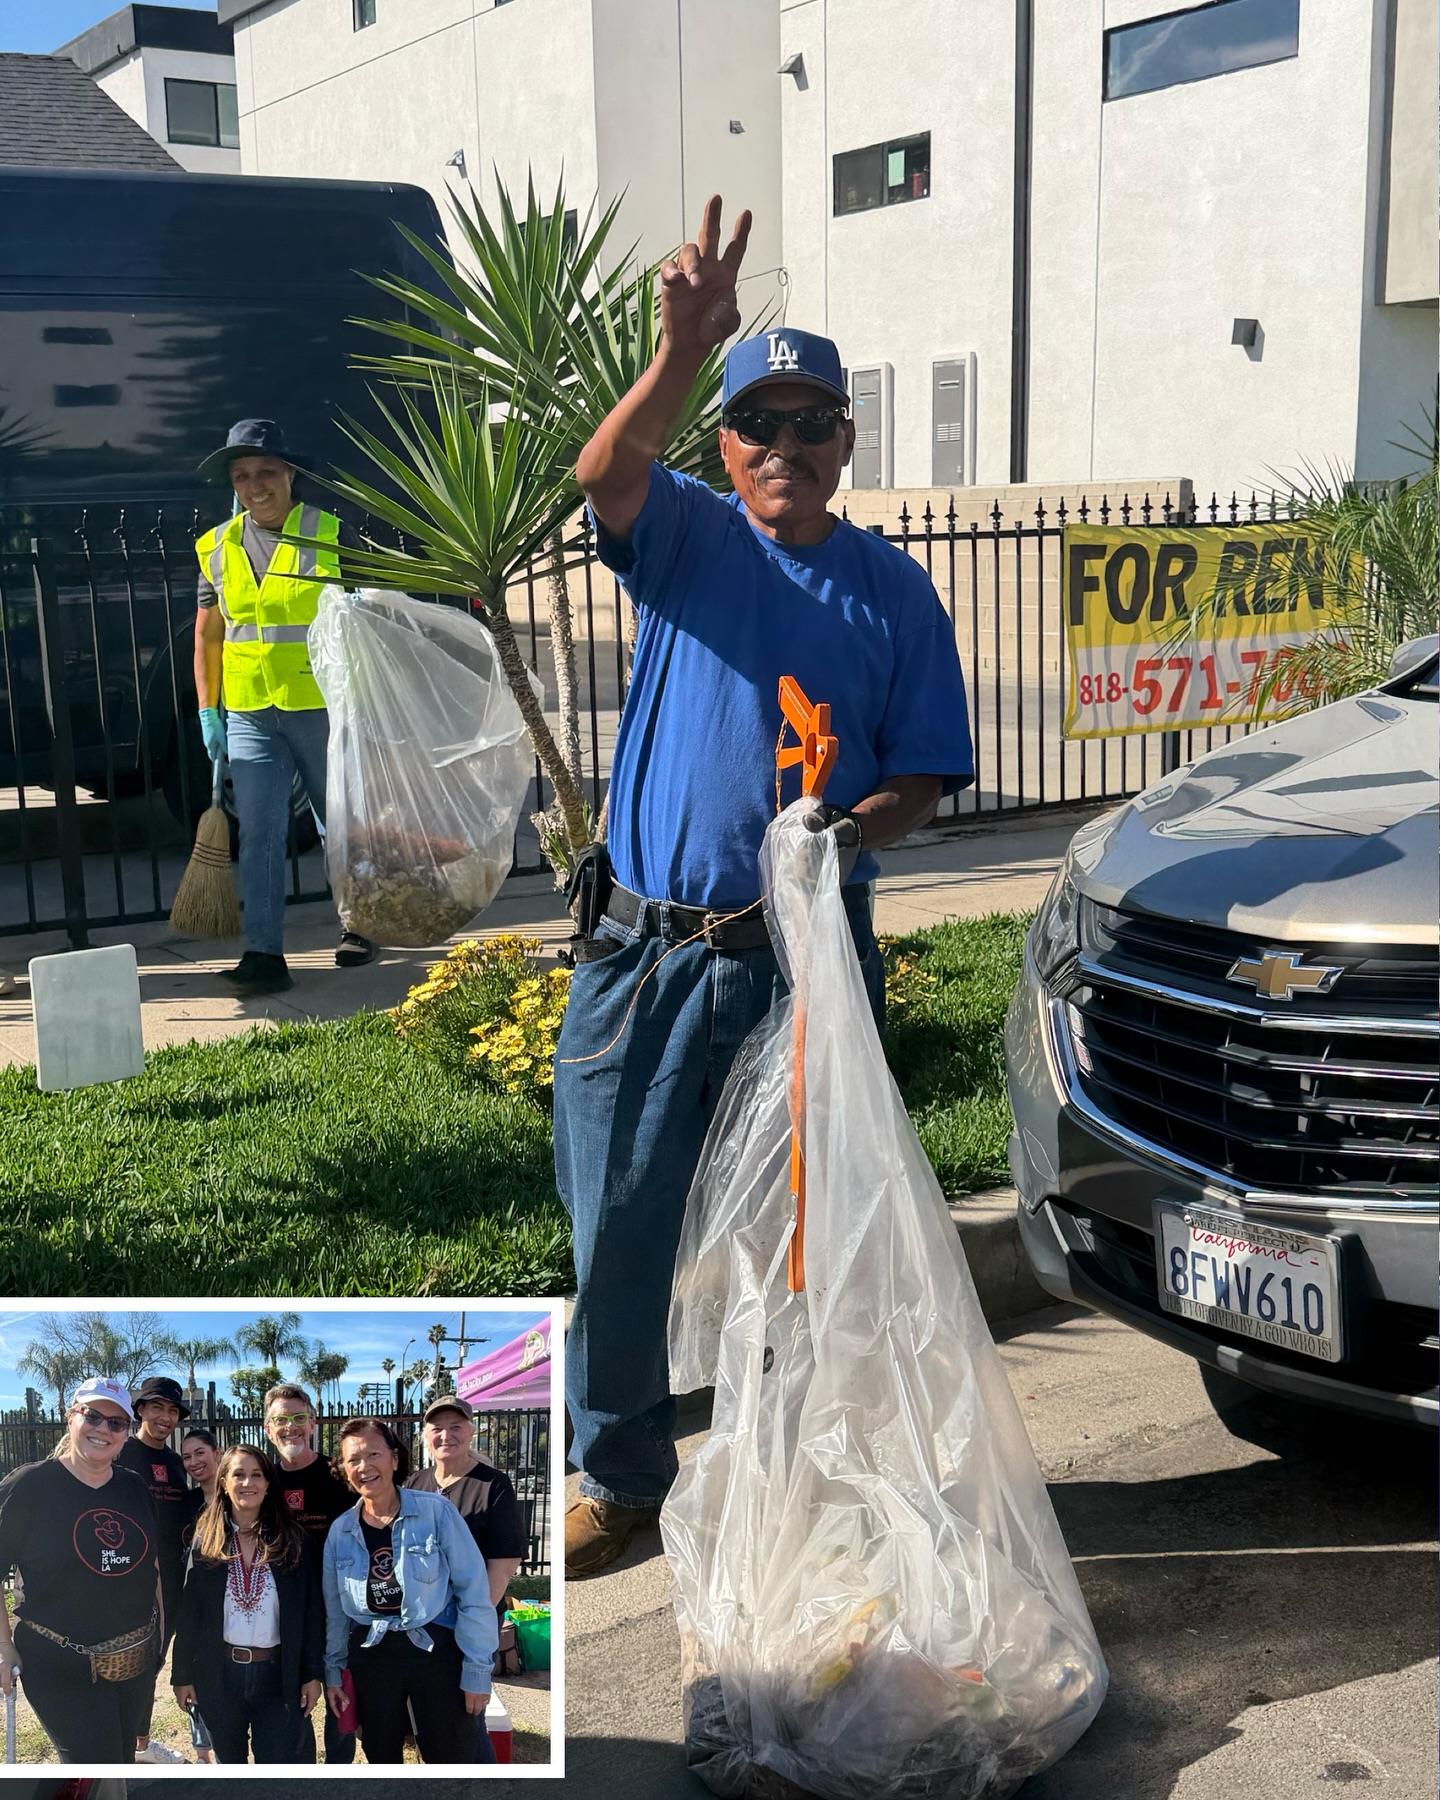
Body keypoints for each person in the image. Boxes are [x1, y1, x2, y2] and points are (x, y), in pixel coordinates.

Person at [558, 195, 973, 1576]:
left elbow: (922, 775)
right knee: (616, 1219)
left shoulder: (896, 593)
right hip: (648, 957)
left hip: (806, 956)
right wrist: (681, 352)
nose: (786, 447)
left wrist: (844, 836)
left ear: (847, 441)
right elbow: (601, 471)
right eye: (759, 424)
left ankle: (783, 1459)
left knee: (806, 1232)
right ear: (724, 445)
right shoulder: (686, 534)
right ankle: (617, 1469)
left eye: (813, 424)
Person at [193, 417, 375, 996]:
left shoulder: (329, 533)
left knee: (338, 823)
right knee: (261, 833)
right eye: (242, 476)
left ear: (289, 473)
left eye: (266, 472)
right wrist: (208, 711)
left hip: (317, 705)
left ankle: (358, 926)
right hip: (249, 711)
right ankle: (264, 953)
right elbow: (208, 636)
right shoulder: (215, 547)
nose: (255, 486)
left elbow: (364, 622)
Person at [0, 1378, 162, 1764]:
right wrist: (4, 1646)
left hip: (132, 1659)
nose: (103, 1429)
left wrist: (156, 1646)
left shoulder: (134, 1487)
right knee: (95, 1767)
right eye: (92, 1416)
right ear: (71, 1417)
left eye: (116, 1423)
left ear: (126, 1433)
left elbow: (152, 1568)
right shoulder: (29, 1485)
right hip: (60, 1663)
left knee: (121, 1762)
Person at [323, 1419, 495, 1764]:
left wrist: (477, 1670)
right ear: (343, 1469)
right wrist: (334, 1671)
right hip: (371, 1658)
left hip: (434, 1652)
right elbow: (336, 1613)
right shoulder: (340, 1531)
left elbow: (473, 1593)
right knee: (380, 1753)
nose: (364, 1467)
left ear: (395, 1459)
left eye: (374, 1454)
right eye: (353, 1460)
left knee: (450, 1752)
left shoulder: (436, 1513)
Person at [171, 1445, 324, 1765]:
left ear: (268, 1484)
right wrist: (182, 1674)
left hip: (277, 1677)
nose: (247, 1482)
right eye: (238, 1474)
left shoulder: (291, 1541)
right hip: (221, 1676)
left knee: (278, 1767)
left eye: (257, 1474)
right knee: (232, 1769)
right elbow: (190, 1612)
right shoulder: (206, 1540)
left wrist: (312, 1674)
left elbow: (310, 1612)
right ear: (224, 1481)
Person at [407, 1395, 528, 1764]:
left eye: (455, 1427)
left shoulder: (492, 1485)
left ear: (471, 1431)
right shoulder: (415, 1485)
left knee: (464, 1725)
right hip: (422, 1630)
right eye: (437, 1428)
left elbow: (502, 1566)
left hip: (465, 1630)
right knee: (428, 1723)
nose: (446, 1435)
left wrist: (467, 1626)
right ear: (425, 1435)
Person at [260, 1382, 356, 1765]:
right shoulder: (263, 1480)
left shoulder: (338, 1475)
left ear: (312, 1422)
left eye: (298, 1417)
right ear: (268, 1428)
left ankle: (339, 1772)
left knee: (341, 1705)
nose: (290, 1427)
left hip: (339, 1608)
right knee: (294, 1705)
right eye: (280, 1419)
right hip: (285, 1613)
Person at [115, 1375, 192, 1762]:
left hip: (174, 1584)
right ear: (140, 1410)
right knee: (128, 1663)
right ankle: (123, 1745)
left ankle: (138, 1743)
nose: (165, 1417)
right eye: (157, 1407)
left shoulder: (177, 1464)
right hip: (131, 1583)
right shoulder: (121, 1454)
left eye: (173, 1410)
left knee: (154, 1663)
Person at [178, 1427, 222, 1762]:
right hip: (195, 1605)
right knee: (196, 1676)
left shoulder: (240, 1495)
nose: (194, 1462)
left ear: (217, 1453)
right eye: (186, 1457)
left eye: (200, 1453)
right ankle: (204, 1754)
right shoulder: (187, 1503)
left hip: (235, 1607)